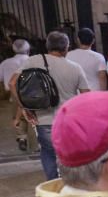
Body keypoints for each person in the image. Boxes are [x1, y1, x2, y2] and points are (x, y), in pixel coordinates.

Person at [8, 30, 90, 179]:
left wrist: (25, 107)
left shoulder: (33, 61)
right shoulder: (75, 67)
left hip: (44, 119)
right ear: (66, 48)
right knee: (70, 155)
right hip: (68, 120)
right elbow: (86, 96)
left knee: (48, 152)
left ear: (47, 46)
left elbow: (12, 83)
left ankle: (53, 186)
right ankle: (72, 185)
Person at [1, 37, 32, 151]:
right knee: (34, 115)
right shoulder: (32, 60)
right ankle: (36, 140)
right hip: (31, 92)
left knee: (18, 117)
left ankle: (22, 138)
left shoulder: (6, 63)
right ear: (28, 49)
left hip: (14, 94)